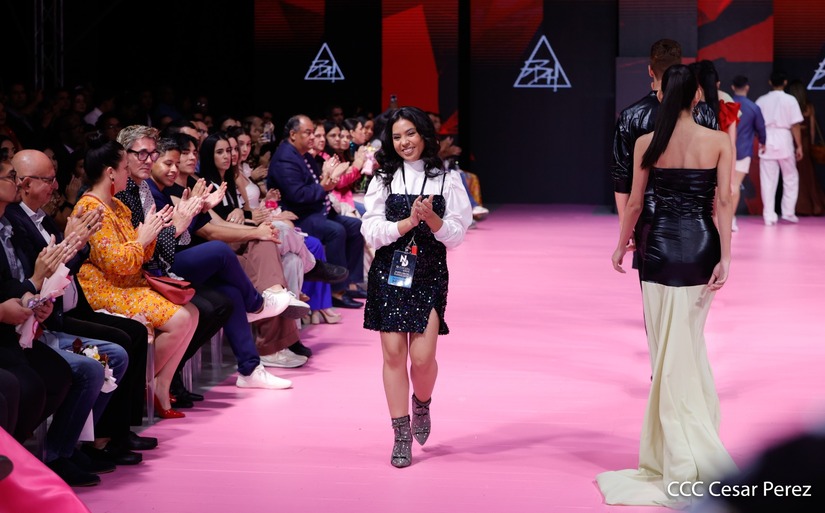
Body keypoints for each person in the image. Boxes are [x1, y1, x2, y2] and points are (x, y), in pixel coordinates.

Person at [599, 64, 736, 507]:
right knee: (687, 347)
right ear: (697, 96)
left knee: (666, 352)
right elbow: (724, 202)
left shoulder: (647, 142)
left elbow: (635, 204)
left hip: (656, 250)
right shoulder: (718, 141)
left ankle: (673, 453)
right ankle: (690, 445)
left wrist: (621, 244)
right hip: (700, 248)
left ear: (661, 95)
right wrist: (726, 256)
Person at [361, 106, 472, 468]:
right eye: (396, 137)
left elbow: (457, 235)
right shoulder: (383, 179)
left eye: (410, 133)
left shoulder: (447, 178)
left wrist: (434, 221)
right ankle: (401, 434)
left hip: (428, 273)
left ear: (424, 134)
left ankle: (421, 404)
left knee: (422, 359)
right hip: (389, 272)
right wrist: (407, 223)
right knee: (393, 355)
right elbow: (371, 230)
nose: (404, 142)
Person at [73, 134, 199, 420]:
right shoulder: (90, 208)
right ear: (110, 172)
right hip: (105, 288)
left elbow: (137, 257)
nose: (127, 173)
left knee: (191, 312)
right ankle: (136, 385)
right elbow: (117, 263)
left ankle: (157, 386)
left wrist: (151, 234)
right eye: (124, 168)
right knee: (180, 319)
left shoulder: (118, 206)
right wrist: (142, 239)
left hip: (129, 284)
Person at [755, 71, 804, 225]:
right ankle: (788, 212)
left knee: (768, 180)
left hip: (767, 139)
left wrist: (761, 139)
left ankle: (769, 215)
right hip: (784, 139)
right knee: (790, 177)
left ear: (770, 82)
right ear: (785, 82)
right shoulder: (790, 100)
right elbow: (795, 125)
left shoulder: (761, 100)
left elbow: (756, 124)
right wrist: (799, 146)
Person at [730, 75, 767, 229]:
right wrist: (763, 142)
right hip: (743, 151)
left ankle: (721, 218)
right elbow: (761, 129)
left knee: (723, 186)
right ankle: (730, 219)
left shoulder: (726, 104)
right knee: (735, 185)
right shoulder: (753, 107)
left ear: (733, 87)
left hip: (724, 151)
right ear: (747, 87)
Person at [786, 79, 825, 216]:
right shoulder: (809, 107)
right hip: (806, 144)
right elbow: (812, 129)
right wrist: (811, 145)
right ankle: (815, 206)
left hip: (794, 143)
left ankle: (802, 207)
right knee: (809, 175)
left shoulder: (790, 106)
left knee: (796, 176)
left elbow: (791, 127)